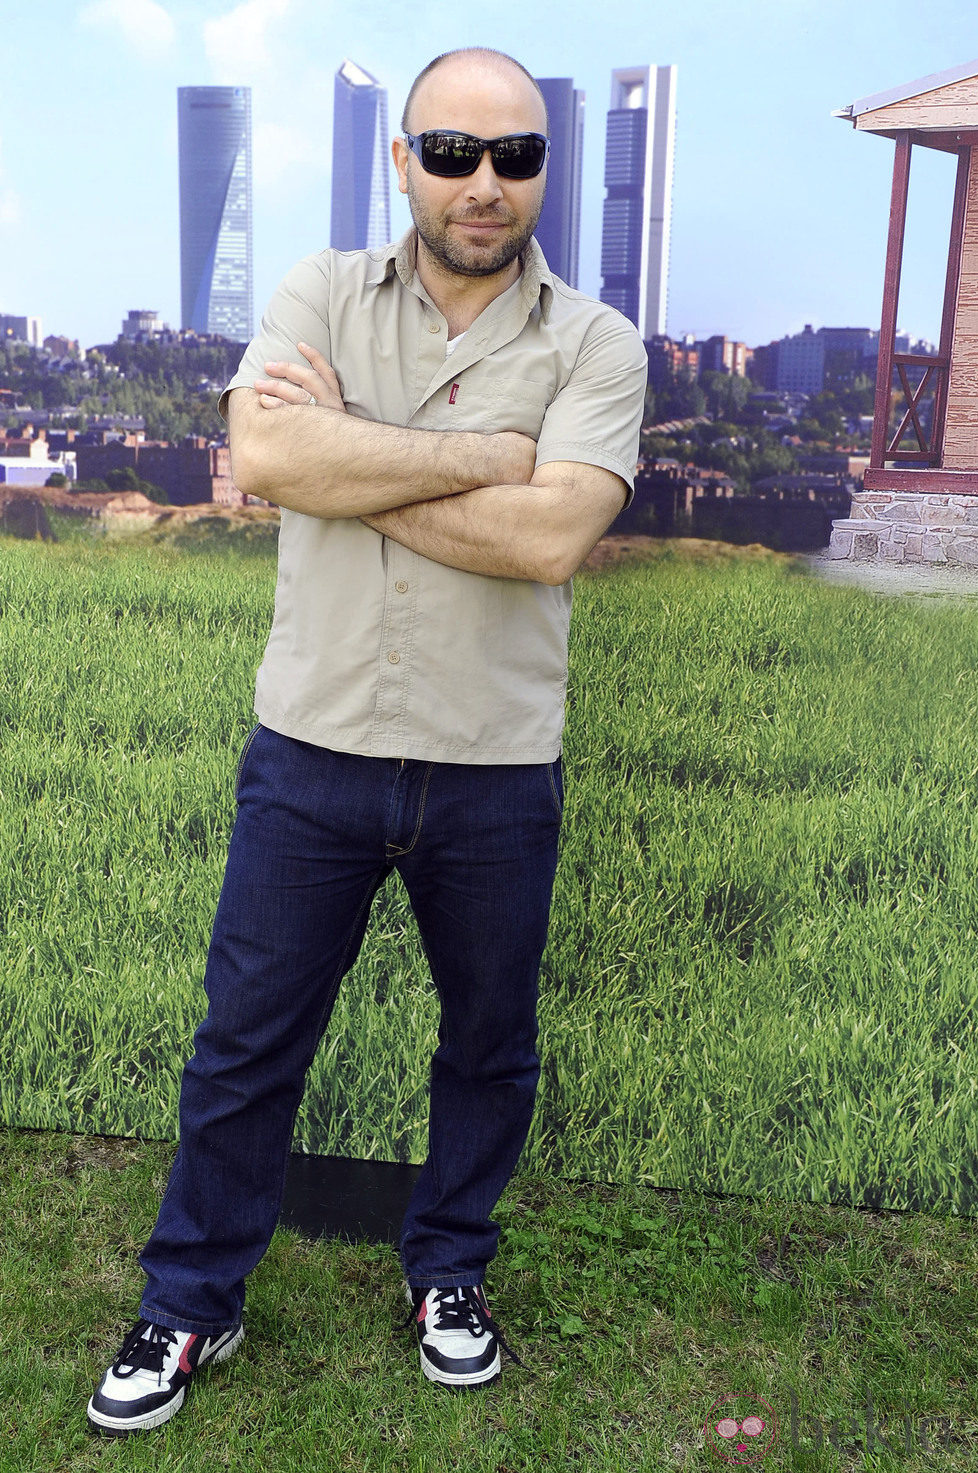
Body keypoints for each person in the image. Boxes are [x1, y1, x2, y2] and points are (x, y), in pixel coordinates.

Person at [87, 45, 647, 1434]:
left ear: (542, 172)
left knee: (489, 1046)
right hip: (314, 749)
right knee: (244, 1044)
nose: (483, 183)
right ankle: (189, 1298)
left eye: (514, 156)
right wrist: (480, 459)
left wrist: (353, 456)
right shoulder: (320, 291)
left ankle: (448, 1270)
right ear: (404, 158)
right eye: (452, 151)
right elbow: (271, 462)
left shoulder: (595, 343)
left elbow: (557, 534)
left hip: (497, 765)